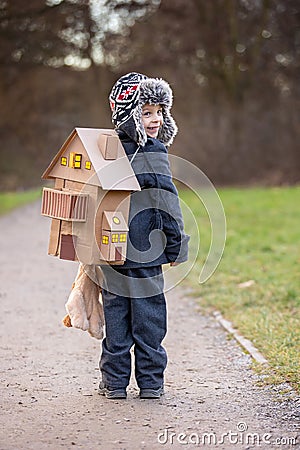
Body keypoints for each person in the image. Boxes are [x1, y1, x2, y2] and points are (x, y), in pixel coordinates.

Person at [98, 72, 190, 399]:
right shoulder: (154, 151)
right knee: (148, 316)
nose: (155, 119)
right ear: (129, 114)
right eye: (147, 112)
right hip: (146, 252)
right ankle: (151, 383)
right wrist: (177, 244)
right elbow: (167, 200)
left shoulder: (104, 150)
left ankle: (114, 383)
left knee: (116, 316)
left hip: (110, 250)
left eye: (160, 111)